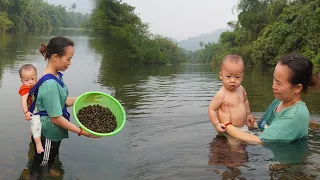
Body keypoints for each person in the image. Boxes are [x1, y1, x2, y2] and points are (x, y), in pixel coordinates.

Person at [29, 36, 97, 177]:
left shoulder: (56, 76)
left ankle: (48, 167)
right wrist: (82, 131)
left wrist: (84, 99)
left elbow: (62, 102)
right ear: (55, 57)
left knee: (49, 158)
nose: (70, 63)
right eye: (68, 58)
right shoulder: (50, 85)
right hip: (48, 133)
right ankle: (37, 174)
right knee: (41, 164)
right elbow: (56, 119)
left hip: (54, 131)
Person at [217, 53, 320, 144]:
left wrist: (228, 125)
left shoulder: (294, 115)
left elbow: (261, 141)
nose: (273, 86)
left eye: (278, 83)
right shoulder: (280, 100)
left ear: (297, 88)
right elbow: (266, 126)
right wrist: (250, 124)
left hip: (284, 162)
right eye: (274, 80)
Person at [208, 54, 255, 135]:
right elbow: (211, 109)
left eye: (237, 77)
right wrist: (216, 124)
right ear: (221, 76)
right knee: (236, 147)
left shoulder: (241, 89)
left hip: (243, 126)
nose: (233, 80)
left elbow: (245, 100)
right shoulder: (221, 94)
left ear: (242, 77)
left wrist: (248, 114)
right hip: (229, 130)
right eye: (228, 76)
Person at [18, 64, 44, 154]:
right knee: (36, 122)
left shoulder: (35, 86)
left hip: (36, 107)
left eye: (33, 79)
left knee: (34, 123)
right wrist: (25, 112)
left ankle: (32, 134)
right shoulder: (25, 89)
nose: (30, 82)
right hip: (32, 110)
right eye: (27, 80)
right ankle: (38, 144)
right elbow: (23, 100)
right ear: (22, 80)